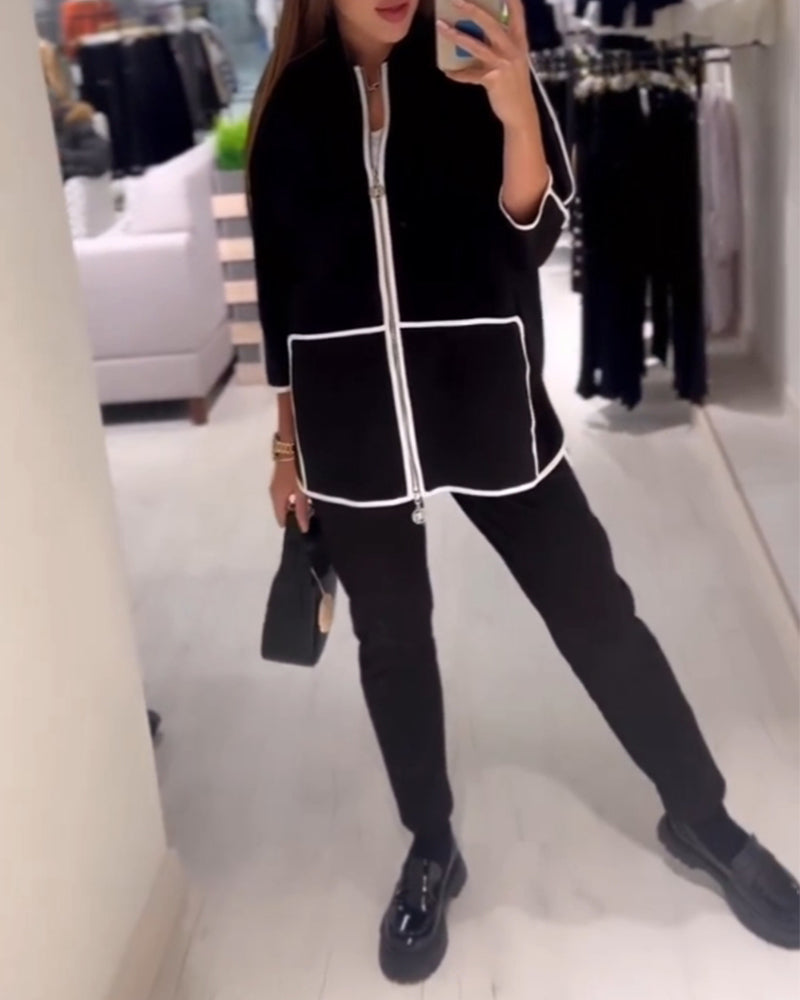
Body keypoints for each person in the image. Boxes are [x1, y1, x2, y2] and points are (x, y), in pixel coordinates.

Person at [247, 0, 800, 983]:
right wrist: (287, 445)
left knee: (598, 613)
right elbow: (282, 290)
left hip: (486, 401)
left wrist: (511, 106)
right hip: (353, 427)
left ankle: (701, 817)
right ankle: (431, 845)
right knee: (393, 643)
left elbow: (534, 232)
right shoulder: (290, 108)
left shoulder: (475, 63)